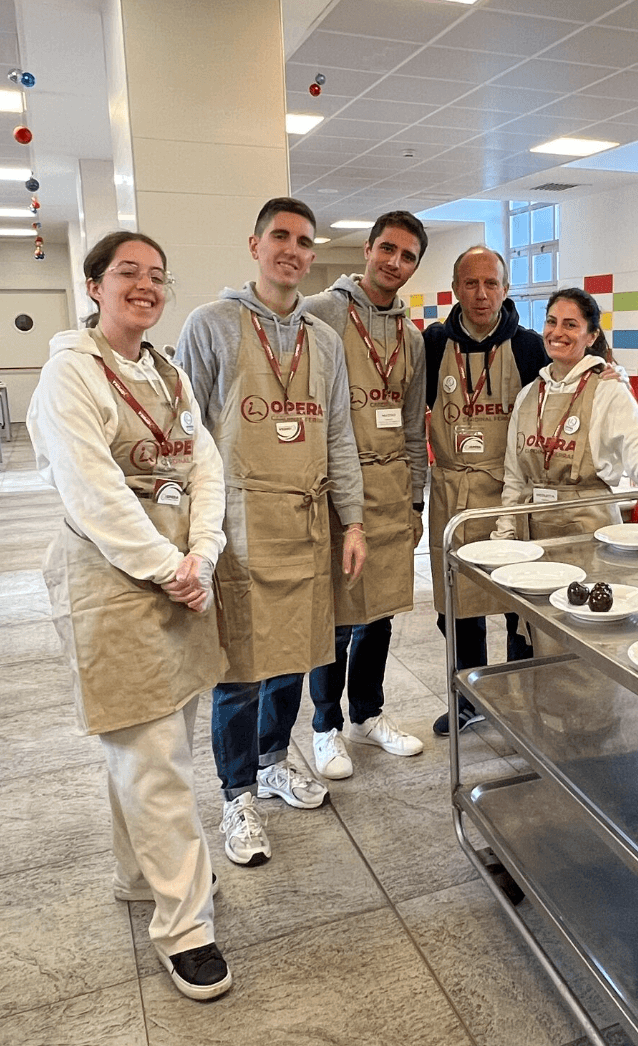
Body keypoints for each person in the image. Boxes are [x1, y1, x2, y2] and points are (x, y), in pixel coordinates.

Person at [27, 231, 232, 1000]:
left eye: (155, 276)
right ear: (94, 286)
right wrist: (165, 566)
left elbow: (202, 463)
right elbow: (93, 492)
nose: (144, 287)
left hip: (180, 575)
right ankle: (186, 927)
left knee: (156, 742)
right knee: (152, 758)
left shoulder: (166, 370)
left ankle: (138, 876)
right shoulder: (68, 377)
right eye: (127, 275)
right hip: (114, 584)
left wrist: (203, 554)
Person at [176, 197, 365, 866]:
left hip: (308, 520)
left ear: (313, 256)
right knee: (238, 670)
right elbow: (186, 435)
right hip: (237, 525)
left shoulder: (321, 338)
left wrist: (354, 519)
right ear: (254, 244)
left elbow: (338, 433)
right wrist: (189, 533)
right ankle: (235, 796)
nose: (291, 248)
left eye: (303, 240)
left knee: (295, 654)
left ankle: (270, 763)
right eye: (278, 236)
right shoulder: (210, 325)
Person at [302, 211, 428, 777]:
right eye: (387, 250)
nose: (395, 263)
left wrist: (417, 498)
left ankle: (367, 714)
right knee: (335, 612)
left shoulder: (413, 336)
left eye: (407, 256)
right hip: (337, 485)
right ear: (367, 250)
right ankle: (325, 725)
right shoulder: (321, 312)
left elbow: (411, 423)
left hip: (393, 484)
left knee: (380, 612)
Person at [423, 246, 544, 736]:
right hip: (452, 491)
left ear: (506, 288)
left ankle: (518, 697)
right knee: (456, 606)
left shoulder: (530, 345)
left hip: (509, 492)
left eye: (491, 283)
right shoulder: (432, 344)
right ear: (455, 289)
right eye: (470, 284)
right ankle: (467, 697)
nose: (481, 294)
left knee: (518, 603)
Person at [494, 286, 638, 544]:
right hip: (533, 540)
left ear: (591, 336)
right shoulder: (527, 396)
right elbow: (514, 477)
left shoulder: (608, 389)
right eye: (551, 322)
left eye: (570, 325)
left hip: (594, 537)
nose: (557, 332)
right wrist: (505, 533)